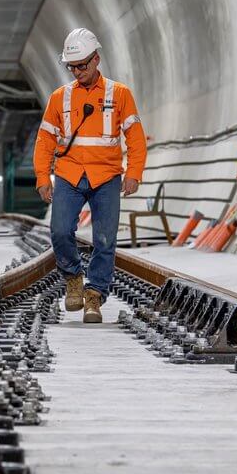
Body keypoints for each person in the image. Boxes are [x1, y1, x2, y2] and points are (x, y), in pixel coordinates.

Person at [32, 28, 147, 323]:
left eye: (82, 65)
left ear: (96, 59)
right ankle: (73, 278)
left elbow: (135, 137)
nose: (77, 71)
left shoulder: (119, 94)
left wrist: (134, 172)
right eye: (72, 67)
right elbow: (45, 140)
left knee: (105, 240)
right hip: (69, 175)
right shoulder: (60, 98)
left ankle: (94, 295)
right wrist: (43, 177)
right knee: (59, 231)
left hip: (107, 176)